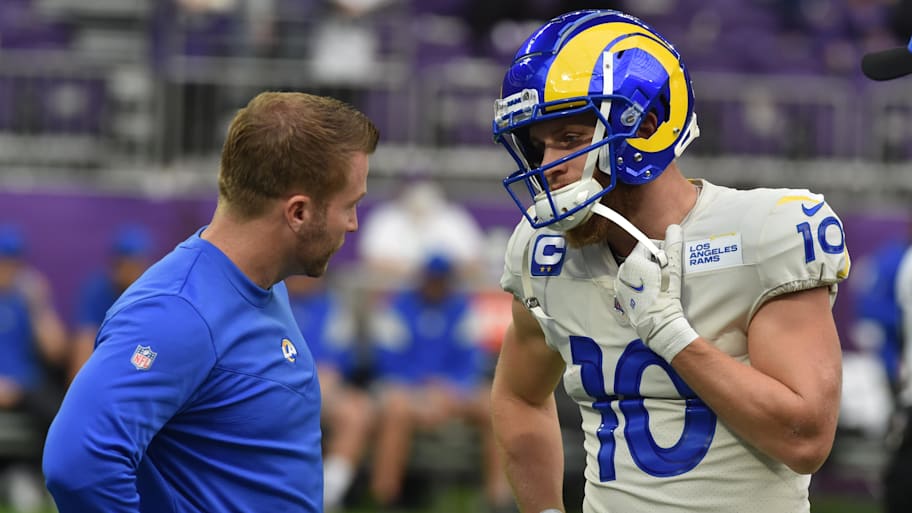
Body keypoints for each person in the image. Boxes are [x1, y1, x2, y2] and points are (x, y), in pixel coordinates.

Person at [488, 9, 850, 513]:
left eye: (569, 139)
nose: (549, 166)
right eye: (538, 145)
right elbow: (518, 398)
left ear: (648, 126)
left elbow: (805, 440)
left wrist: (668, 331)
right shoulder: (541, 249)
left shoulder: (766, 231)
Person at [42, 91, 380, 513]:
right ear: (298, 213)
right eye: (350, 206)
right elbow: (76, 465)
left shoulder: (264, 283)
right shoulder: (179, 310)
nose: (352, 223)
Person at [369, 254, 512, 511]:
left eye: (442, 280)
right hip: (406, 389)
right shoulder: (399, 307)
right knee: (396, 409)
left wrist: (449, 389)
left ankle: (498, 498)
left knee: (494, 407)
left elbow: (471, 359)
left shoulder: (462, 308)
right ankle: (386, 496)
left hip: (452, 391)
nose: (436, 285)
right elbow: (388, 359)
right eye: (432, 279)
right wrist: (423, 389)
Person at [285, 274, 374, 511]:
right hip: (277, 387)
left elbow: (337, 362)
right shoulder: (271, 303)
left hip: (322, 390)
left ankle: (329, 495)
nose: (298, 280)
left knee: (356, 411)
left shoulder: (333, 307)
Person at [0, 224, 68, 513]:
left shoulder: (26, 300)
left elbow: (56, 351)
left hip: (27, 386)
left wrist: (40, 305)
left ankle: (53, 484)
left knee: (61, 415)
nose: (7, 270)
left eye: (13, 263)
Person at [69, 224, 154, 382]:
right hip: (103, 374)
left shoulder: (152, 295)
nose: (129, 271)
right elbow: (83, 348)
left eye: (135, 264)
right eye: (124, 264)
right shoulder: (98, 291)